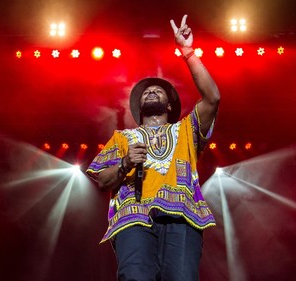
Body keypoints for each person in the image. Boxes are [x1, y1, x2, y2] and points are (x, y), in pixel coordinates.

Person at [86, 15, 220, 281]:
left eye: (158, 91)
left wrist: (188, 52)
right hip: (134, 218)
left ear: (169, 106)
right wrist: (125, 163)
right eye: (147, 92)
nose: (151, 92)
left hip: (182, 217)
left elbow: (213, 98)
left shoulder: (186, 130)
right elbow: (102, 180)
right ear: (139, 108)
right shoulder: (122, 138)